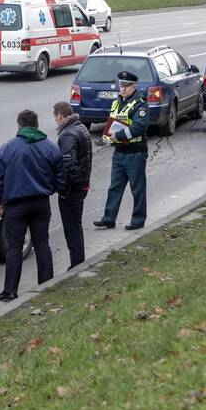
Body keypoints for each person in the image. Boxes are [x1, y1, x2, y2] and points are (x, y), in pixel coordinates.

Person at [0, 110, 64, 302]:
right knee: (42, 243)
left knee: (14, 247)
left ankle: (10, 291)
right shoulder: (50, 147)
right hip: (41, 203)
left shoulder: (7, 149)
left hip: (16, 206)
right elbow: (61, 176)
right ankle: (47, 285)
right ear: (37, 125)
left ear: (19, 125)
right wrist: (50, 190)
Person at [94, 71, 150, 231]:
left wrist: (116, 135)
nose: (123, 89)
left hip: (135, 153)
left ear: (134, 86)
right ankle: (108, 219)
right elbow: (112, 122)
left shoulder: (140, 105)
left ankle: (138, 220)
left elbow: (139, 127)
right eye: (121, 85)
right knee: (115, 187)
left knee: (137, 189)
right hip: (119, 152)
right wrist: (106, 137)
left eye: (127, 86)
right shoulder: (117, 102)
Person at [53, 101, 92, 269]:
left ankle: (77, 264)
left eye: (55, 118)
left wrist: (62, 189)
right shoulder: (81, 128)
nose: (55, 121)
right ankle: (78, 260)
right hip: (81, 184)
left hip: (72, 189)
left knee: (72, 228)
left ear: (60, 116)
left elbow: (67, 165)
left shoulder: (68, 134)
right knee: (76, 225)